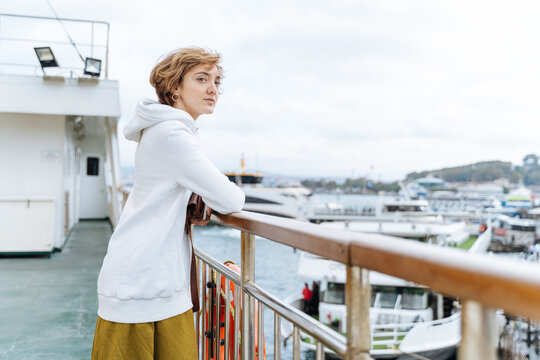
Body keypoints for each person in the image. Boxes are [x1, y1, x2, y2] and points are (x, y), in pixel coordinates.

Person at [91, 48, 245, 360]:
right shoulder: (172, 133)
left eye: (217, 81)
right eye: (202, 79)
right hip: (140, 285)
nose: (213, 88)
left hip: (158, 284)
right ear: (174, 87)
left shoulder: (168, 130)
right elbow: (231, 199)